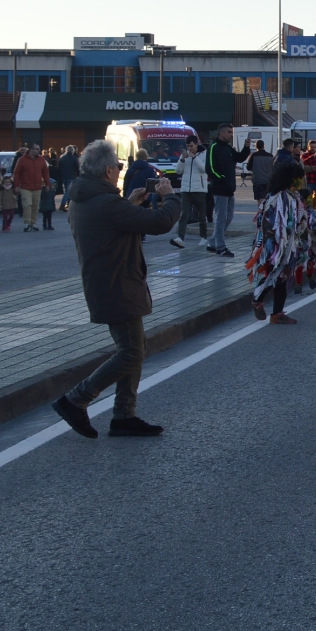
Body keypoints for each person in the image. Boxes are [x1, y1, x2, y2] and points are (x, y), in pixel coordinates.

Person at [51, 139, 180, 439]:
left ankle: (124, 414)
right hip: (116, 283)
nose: (120, 171)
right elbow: (159, 223)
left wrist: (129, 204)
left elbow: (112, 224)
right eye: (119, 167)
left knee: (134, 348)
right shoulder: (107, 203)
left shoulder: (85, 198)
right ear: (108, 170)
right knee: (132, 352)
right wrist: (171, 197)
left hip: (109, 281)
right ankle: (77, 399)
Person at [244, 159, 316, 324]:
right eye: (298, 179)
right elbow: (271, 223)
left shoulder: (293, 197)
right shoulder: (277, 198)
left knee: (282, 278)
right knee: (276, 274)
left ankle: (277, 314)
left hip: (289, 245)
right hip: (276, 246)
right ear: (290, 179)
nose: (300, 182)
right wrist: (277, 244)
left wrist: (314, 228)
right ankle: (257, 298)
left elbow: (302, 217)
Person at [203, 122, 250, 257]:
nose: (231, 135)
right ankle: (221, 247)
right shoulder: (214, 148)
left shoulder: (228, 149)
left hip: (229, 189)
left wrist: (246, 148)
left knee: (228, 217)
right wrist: (221, 178)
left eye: (231, 132)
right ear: (221, 133)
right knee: (221, 218)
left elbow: (239, 158)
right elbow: (210, 168)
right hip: (220, 189)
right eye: (229, 132)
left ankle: (212, 242)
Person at [171, 136, 208, 249]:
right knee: (184, 215)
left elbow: (204, 169)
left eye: (191, 146)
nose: (189, 148)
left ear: (196, 144)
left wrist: (194, 158)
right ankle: (180, 238)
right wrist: (182, 159)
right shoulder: (185, 155)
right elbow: (178, 171)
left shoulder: (204, 154)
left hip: (199, 189)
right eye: (187, 146)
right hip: (186, 189)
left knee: (201, 215)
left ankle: (203, 237)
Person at [12, 143, 50, 233]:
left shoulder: (41, 159)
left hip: (37, 187)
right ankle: (27, 223)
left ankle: (33, 223)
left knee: (35, 206)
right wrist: (16, 185)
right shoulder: (22, 160)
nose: (38, 151)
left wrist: (47, 184)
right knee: (27, 205)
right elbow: (16, 173)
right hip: (25, 187)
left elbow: (45, 173)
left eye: (38, 149)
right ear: (31, 149)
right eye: (36, 149)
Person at [55, 145, 80, 210]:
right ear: (73, 151)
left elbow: (58, 168)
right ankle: (63, 204)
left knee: (67, 190)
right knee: (68, 191)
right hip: (71, 176)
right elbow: (77, 168)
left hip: (63, 176)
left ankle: (68, 204)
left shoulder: (62, 158)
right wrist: (78, 175)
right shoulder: (74, 158)